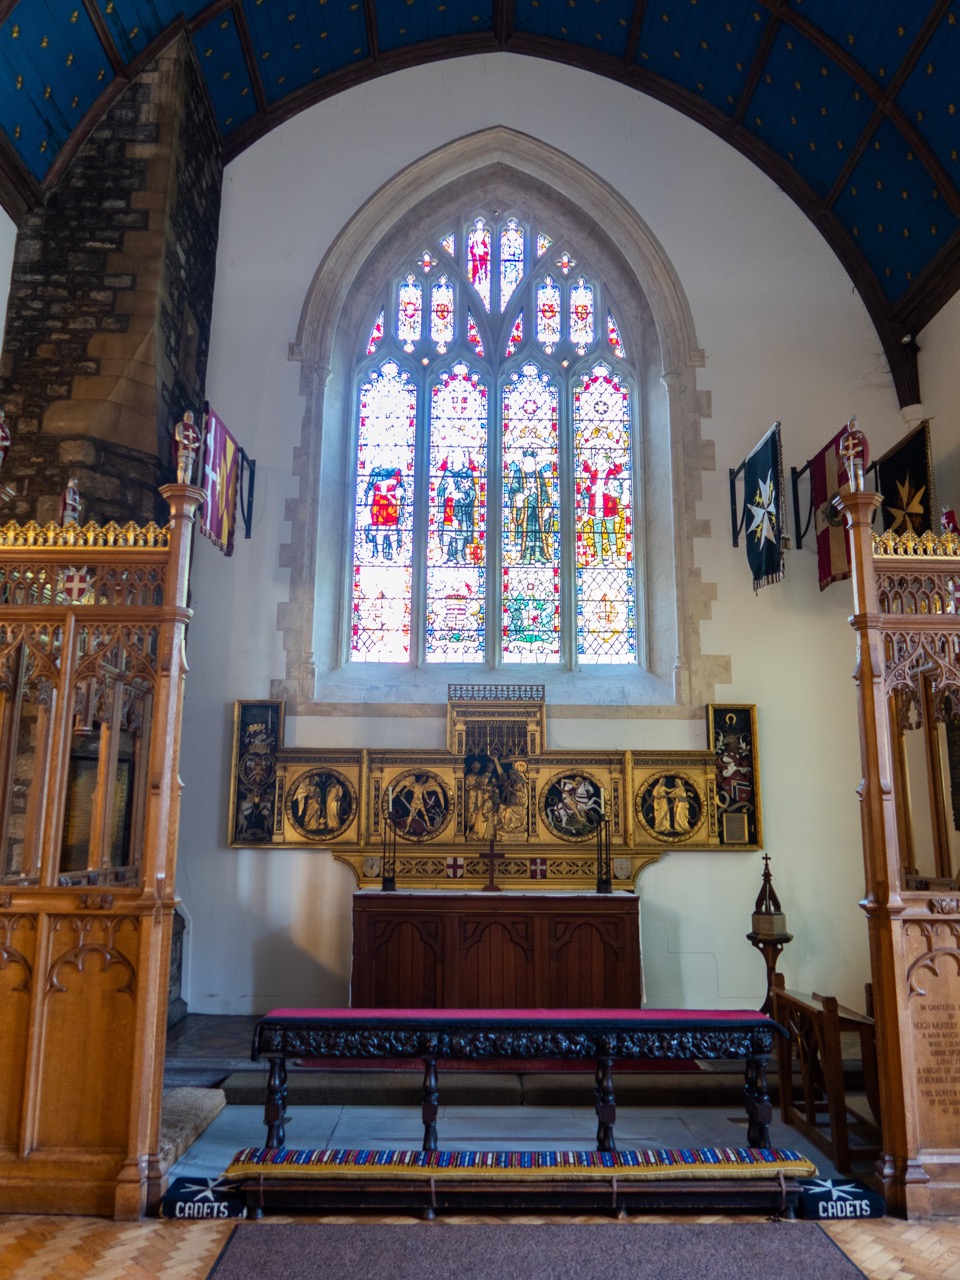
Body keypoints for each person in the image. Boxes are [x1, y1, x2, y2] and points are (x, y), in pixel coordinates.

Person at [363, 464, 406, 560]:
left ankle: (395, 554)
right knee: (379, 532)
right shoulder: (376, 473)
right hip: (378, 506)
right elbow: (370, 492)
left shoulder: (396, 472)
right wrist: (367, 507)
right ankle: (380, 555)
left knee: (392, 531)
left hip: (390, 505)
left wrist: (394, 495)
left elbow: (401, 489)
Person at [174, 410, 202, 484]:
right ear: (185, 417)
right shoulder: (180, 425)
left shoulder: (195, 428)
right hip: (183, 448)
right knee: (182, 465)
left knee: (189, 467)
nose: (190, 418)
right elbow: (178, 436)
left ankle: (187, 483)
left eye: (191, 417)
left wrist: (193, 445)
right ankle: (180, 483)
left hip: (192, 450)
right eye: (188, 416)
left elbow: (199, 440)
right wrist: (185, 441)